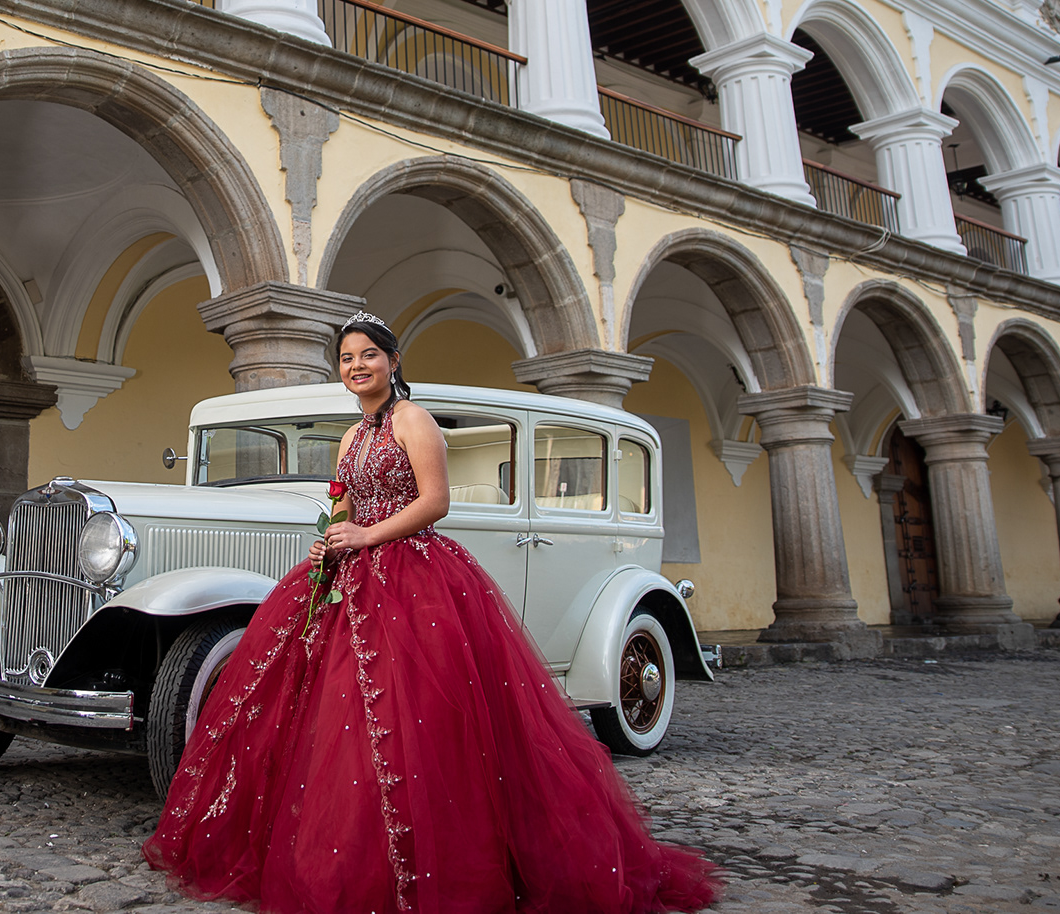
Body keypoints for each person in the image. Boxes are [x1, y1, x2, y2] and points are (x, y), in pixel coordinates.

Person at [143, 314, 720, 913]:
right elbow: (341, 503)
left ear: (393, 362)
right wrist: (331, 537)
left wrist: (366, 537)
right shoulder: (351, 436)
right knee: (326, 704)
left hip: (412, 574)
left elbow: (434, 501)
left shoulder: (412, 420)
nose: (356, 366)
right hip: (352, 573)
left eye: (368, 355)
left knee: (409, 708)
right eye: (346, 359)